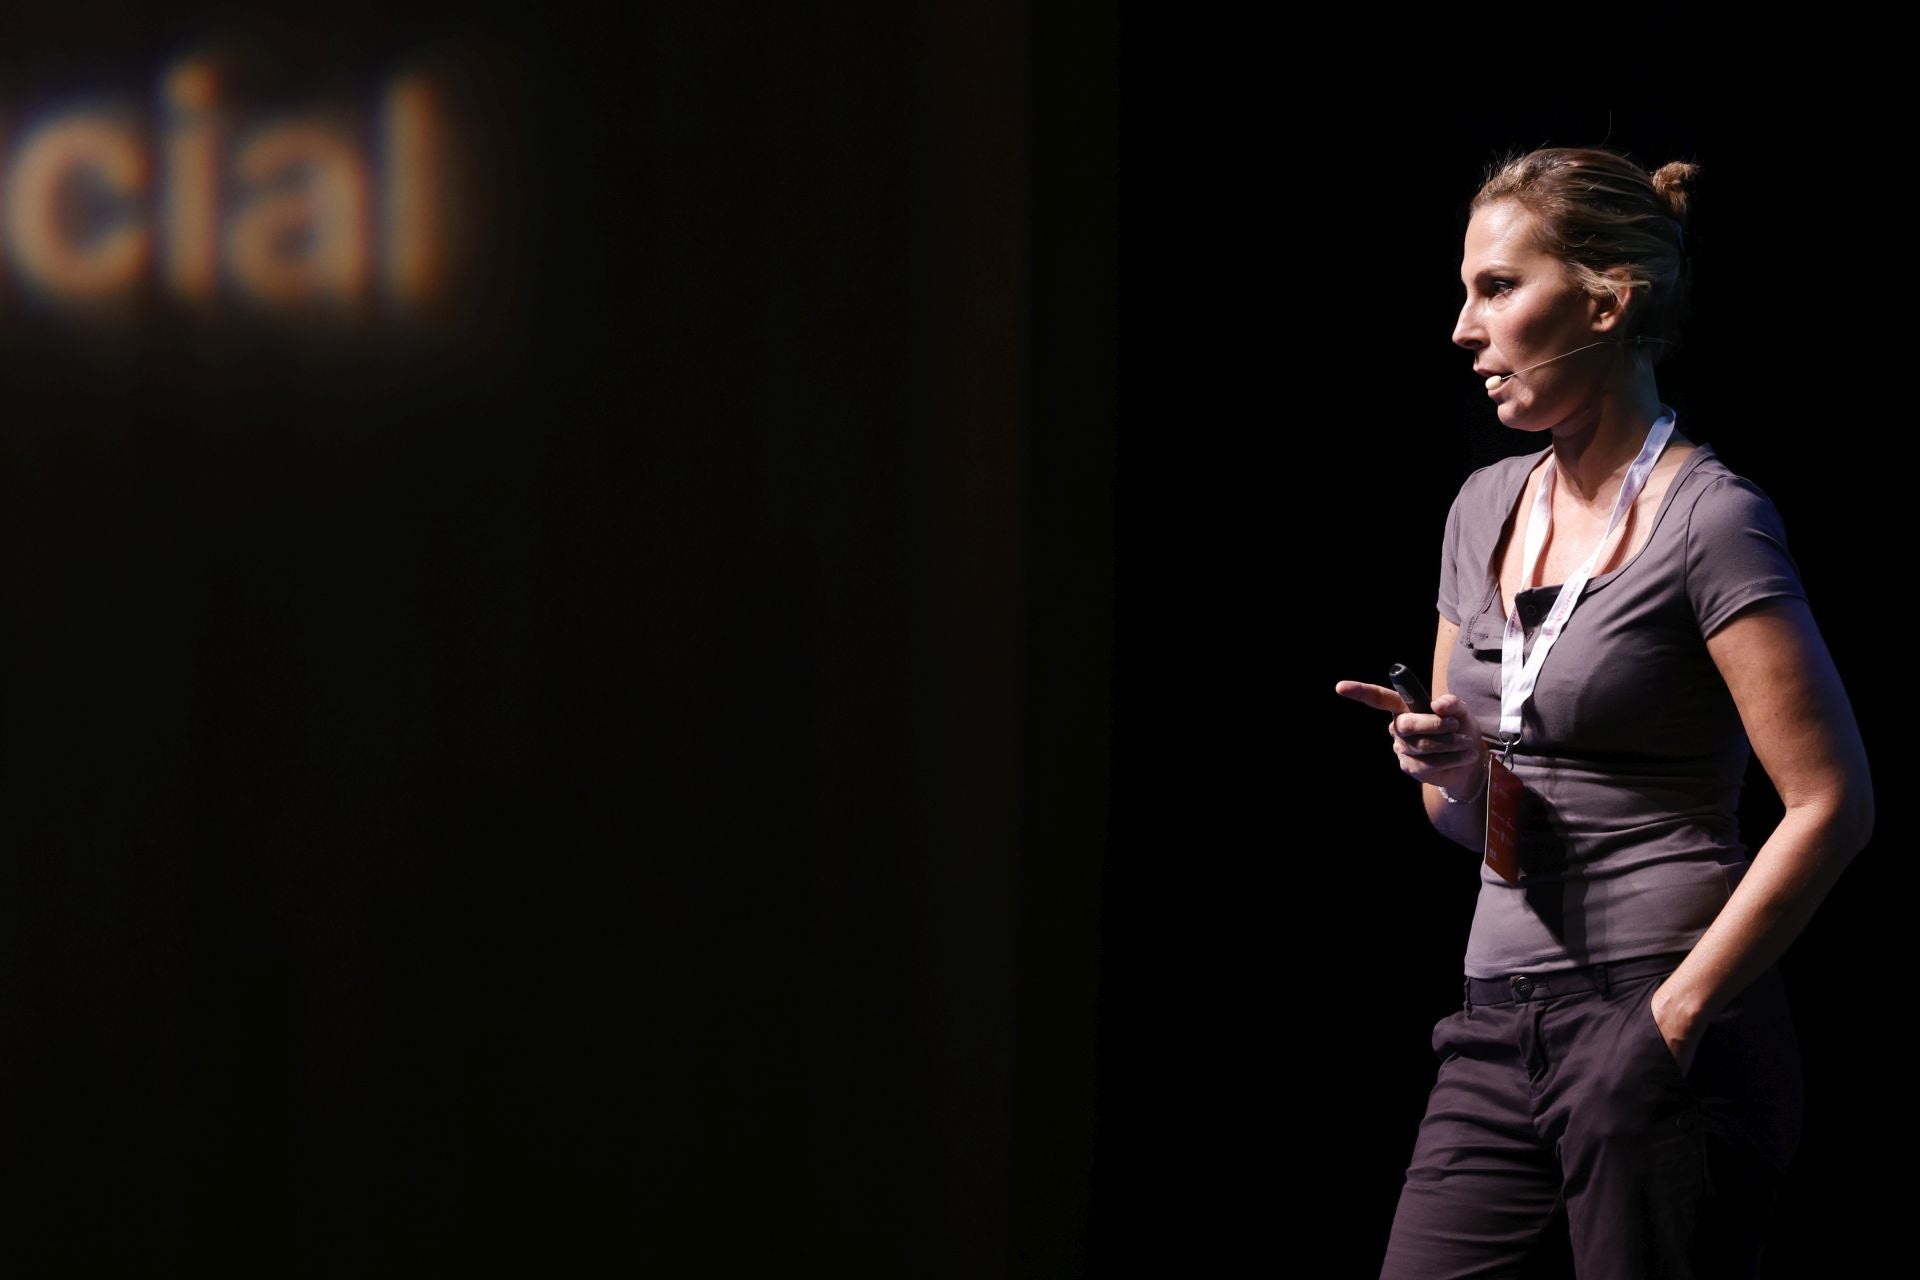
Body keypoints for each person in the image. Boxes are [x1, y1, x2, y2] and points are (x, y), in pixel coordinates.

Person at [1334, 146, 1873, 1278]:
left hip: (1657, 1024)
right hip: (1493, 1028)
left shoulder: (1711, 521)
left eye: (1497, 288)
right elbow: (1456, 819)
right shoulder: (1481, 505)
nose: (1462, 329)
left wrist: (1671, 1022)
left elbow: (1832, 801)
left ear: (1607, 298)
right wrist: (1463, 769)